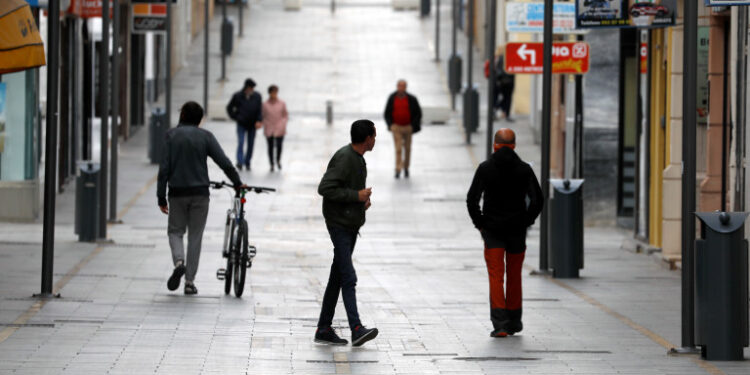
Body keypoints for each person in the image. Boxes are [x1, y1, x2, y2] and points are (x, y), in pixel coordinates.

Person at [158, 101, 245, 295]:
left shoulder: (170, 136)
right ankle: (189, 282)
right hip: (200, 194)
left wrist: (160, 197)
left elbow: (164, 169)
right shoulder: (206, 136)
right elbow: (224, 162)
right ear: (199, 119)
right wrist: (237, 182)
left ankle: (179, 261)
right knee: (195, 237)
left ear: (182, 116)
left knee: (175, 232)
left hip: (177, 193)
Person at [466, 128, 543, 337]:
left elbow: (472, 199)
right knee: (515, 275)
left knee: (496, 276)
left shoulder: (485, 168)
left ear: (495, 145)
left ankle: (500, 324)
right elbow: (538, 200)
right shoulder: (524, 169)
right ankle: (515, 321)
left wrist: (480, 223)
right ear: (514, 146)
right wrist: (526, 221)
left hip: (492, 231)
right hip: (517, 230)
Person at [314, 119, 379, 347]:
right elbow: (325, 188)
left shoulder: (358, 159)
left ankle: (323, 328)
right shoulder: (345, 158)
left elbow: (349, 191)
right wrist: (356, 196)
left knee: (338, 276)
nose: (375, 139)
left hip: (349, 223)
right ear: (367, 138)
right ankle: (357, 329)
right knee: (348, 276)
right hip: (339, 225)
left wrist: (361, 202)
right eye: (374, 135)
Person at [383, 79, 422, 179]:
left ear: (406, 87)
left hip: (408, 127)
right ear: (397, 87)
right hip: (396, 127)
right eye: (400, 86)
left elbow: (418, 113)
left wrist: (413, 125)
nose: (401, 88)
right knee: (398, 149)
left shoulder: (411, 99)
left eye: (403, 86)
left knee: (407, 149)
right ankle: (398, 169)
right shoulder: (392, 98)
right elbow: (387, 112)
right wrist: (390, 125)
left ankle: (406, 167)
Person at [226, 78, 263, 170]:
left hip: (252, 124)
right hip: (241, 123)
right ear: (246, 87)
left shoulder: (257, 96)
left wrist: (259, 120)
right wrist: (236, 117)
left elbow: (259, 110)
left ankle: (247, 161)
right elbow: (229, 108)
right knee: (241, 142)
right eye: (251, 88)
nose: (252, 90)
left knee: (251, 144)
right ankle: (240, 161)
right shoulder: (237, 96)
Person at [261, 85, 289, 172]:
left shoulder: (282, 103)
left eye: (276, 92)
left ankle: (278, 160)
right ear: (270, 93)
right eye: (273, 92)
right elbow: (262, 116)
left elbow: (285, 115)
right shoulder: (265, 105)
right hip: (269, 128)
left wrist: (283, 123)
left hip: (280, 128)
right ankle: (272, 163)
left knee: (279, 146)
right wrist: (264, 123)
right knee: (270, 147)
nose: (274, 94)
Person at [495, 46, 516, 122]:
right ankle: (500, 110)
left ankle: (501, 110)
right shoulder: (505, 58)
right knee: (507, 99)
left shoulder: (500, 58)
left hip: (502, 82)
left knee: (505, 98)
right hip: (508, 82)